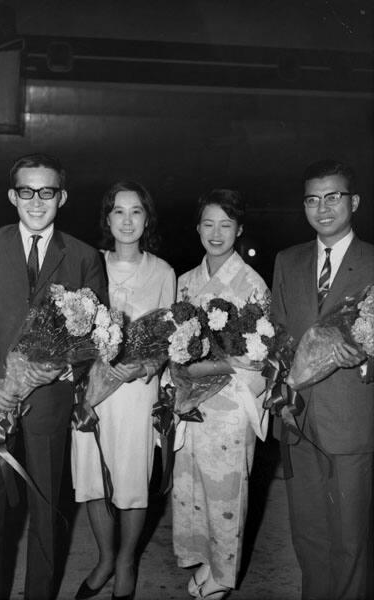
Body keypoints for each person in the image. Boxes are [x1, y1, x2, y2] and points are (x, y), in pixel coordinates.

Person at [0, 153, 107, 600]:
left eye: (46, 192)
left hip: (50, 403)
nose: (36, 201)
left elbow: (95, 337)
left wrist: (58, 367)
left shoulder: (82, 256)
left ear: (62, 197)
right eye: (26, 191)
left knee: (46, 513)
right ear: (11, 196)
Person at [271, 159, 374, 600]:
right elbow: (274, 334)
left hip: (351, 418)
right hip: (296, 421)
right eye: (313, 199)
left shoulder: (373, 262)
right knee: (307, 534)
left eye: (333, 197)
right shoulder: (287, 261)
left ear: (353, 202)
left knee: (350, 539)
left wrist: (366, 360)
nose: (323, 207)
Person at [71, 181, 176, 600]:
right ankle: (105, 559)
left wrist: (147, 364)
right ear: (107, 218)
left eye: (136, 212)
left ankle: (128, 560)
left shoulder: (163, 271)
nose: (127, 220)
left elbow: (170, 340)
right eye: (118, 211)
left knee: (132, 481)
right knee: (91, 477)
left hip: (136, 393)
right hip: (92, 389)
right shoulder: (86, 262)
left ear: (146, 219)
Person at [171, 189, 269, 600]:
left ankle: (224, 573)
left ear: (239, 229)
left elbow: (260, 352)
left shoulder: (251, 283)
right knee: (191, 484)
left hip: (231, 402)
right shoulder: (185, 281)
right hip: (191, 403)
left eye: (226, 224)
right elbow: (175, 343)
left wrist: (218, 365)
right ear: (197, 228)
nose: (216, 233)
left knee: (225, 491)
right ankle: (205, 558)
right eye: (208, 223)